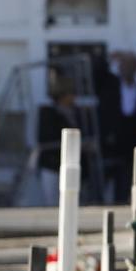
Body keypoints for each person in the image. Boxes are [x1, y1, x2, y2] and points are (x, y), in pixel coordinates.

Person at [38, 75, 91, 204]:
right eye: (71, 93)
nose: (74, 97)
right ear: (62, 95)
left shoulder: (78, 113)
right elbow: (46, 138)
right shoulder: (48, 113)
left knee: (72, 201)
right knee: (52, 202)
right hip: (53, 165)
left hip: (74, 164)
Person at [97, 50, 136, 183]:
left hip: (134, 140)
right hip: (113, 142)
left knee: (132, 176)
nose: (127, 69)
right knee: (113, 180)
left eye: (131, 66)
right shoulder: (110, 86)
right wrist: (108, 58)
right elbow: (96, 71)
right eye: (124, 65)